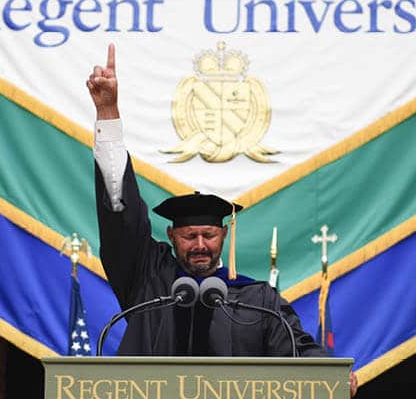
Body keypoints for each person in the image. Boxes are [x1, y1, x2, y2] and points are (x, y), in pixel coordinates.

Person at [86, 43, 332, 359]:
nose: (200, 244)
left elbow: (300, 350)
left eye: (209, 235)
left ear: (225, 235)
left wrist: (332, 374)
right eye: (189, 236)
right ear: (172, 236)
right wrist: (107, 112)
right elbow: (121, 217)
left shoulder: (258, 300)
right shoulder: (148, 281)